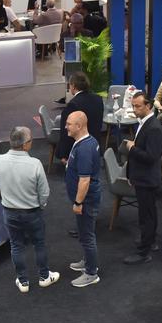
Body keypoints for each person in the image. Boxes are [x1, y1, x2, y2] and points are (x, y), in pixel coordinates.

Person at [0, 126, 59, 293]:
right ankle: (44, 277)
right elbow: (44, 192)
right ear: (26, 144)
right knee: (39, 244)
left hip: (9, 212)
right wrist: (41, 206)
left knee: (16, 246)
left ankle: (23, 281)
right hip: (32, 212)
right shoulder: (34, 164)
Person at [121, 92, 162, 263]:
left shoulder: (153, 127)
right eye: (133, 106)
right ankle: (150, 241)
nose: (134, 109)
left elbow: (151, 157)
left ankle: (143, 252)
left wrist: (132, 148)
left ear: (148, 106)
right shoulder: (145, 123)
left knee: (146, 216)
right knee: (148, 213)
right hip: (142, 177)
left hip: (147, 179)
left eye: (138, 106)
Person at [63, 110, 102, 288]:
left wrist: (78, 203)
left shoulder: (85, 148)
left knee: (87, 236)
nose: (66, 127)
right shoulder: (86, 142)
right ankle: (87, 261)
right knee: (86, 234)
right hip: (87, 199)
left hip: (85, 201)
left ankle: (91, 272)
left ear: (79, 126)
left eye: (69, 124)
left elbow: (84, 180)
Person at [55, 72, 104, 160]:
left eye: (69, 85)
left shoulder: (73, 105)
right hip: (95, 146)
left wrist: (64, 155)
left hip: (79, 150)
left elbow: (66, 132)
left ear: (73, 86)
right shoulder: (98, 99)